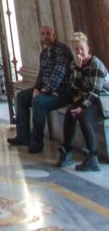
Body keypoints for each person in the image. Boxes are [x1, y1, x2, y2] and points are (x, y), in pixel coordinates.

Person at [7, 25, 72, 153]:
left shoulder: (61, 50)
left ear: (54, 35)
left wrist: (44, 91)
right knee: (21, 97)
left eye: (48, 34)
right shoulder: (44, 53)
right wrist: (36, 88)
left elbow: (59, 73)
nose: (45, 37)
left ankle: (37, 142)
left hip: (61, 93)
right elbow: (42, 73)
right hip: (46, 91)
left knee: (38, 101)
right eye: (42, 34)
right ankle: (23, 136)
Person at [56, 31, 108, 172]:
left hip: (102, 100)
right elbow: (74, 89)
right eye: (76, 49)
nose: (79, 52)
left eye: (82, 48)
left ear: (88, 48)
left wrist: (82, 108)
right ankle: (67, 151)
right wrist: (78, 69)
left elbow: (95, 92)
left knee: (83, 117)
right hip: (87, 99)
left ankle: (92, 158)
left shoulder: (95, 64)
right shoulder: (75, 65)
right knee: (70, 114)